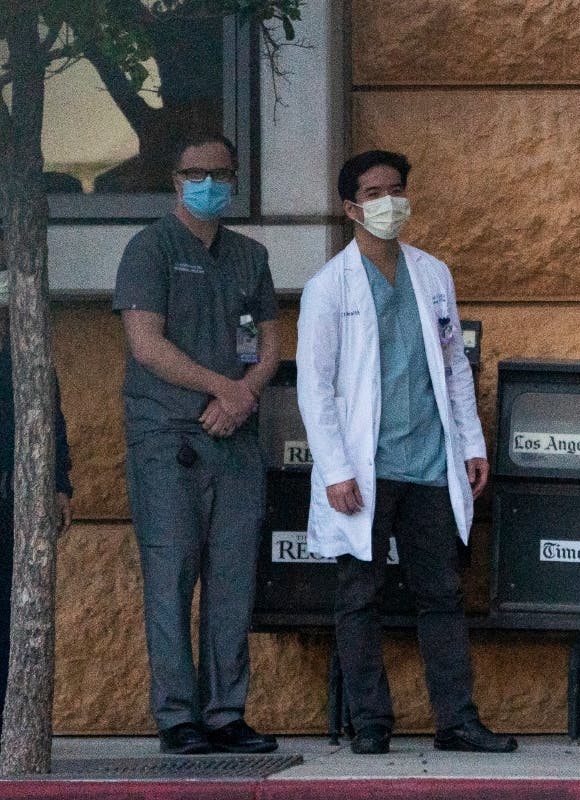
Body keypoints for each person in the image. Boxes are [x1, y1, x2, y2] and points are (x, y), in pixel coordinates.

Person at [296, 150, 516, 755]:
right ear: (350, 208)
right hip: (364, 470)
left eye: (395, 190)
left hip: (427, 461)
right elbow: (315, 388)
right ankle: (371, 722)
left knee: (441, 594)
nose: (387, 202)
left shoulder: (432, 274)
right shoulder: (328, 287)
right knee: (359, 596)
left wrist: (470, 442)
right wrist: (337, 470)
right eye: (373, 193)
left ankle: (457, 721)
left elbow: (452, 367)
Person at [113, 133, 280, 755]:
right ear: (174, 179)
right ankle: (178, 716)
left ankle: (225, 713)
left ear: (235, 179)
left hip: (235, 438)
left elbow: (269, 345)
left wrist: (244, 394)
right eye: (195, 173)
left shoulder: (249, 256)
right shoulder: (149, 249)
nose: (208, 183)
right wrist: (221, 389)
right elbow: (146, 345)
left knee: (233, 578)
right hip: (169, 436)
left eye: (220, 173)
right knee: (173, 571)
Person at [0, 269, 73, 729]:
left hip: (16, 503)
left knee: (12, 617)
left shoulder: (30, 365)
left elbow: (52, 424)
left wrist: (61, 484)